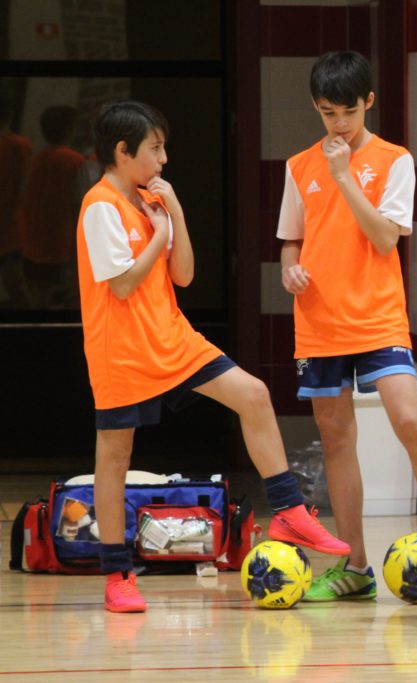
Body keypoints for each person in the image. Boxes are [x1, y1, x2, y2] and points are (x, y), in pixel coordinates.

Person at [77, 100, 349, 614]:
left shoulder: (146, 199)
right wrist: (159, 233)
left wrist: (173, 213)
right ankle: (117, 576)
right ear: (122, 150)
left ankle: (289, 508)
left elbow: (183, 275)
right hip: (122, 349)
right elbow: (121, 284)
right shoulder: (99, 205)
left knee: (253, 394)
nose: (163, 160)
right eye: (155, 148)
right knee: (114, 459)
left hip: (172, 336)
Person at [277, 51, 417, 602]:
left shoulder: (395, 160)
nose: (337, 124)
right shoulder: (298, 166)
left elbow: (386, 237)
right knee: (337, 439)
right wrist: (290, 267)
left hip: (380, 316)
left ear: (368, 101)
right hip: (319, 321)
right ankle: (356, 567)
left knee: (409, 419)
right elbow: (292, 237)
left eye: (346, 111)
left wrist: (344, 177)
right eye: (325, 112)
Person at [19, 105, 87, 307]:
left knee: (37, 295)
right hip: (59, 241)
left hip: (31, 238)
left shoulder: (37, 158)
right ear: (69, 129)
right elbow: (80, 204)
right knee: (54, 298)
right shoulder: (75, 161)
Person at [0, 89, 32, 307]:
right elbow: (23, 188)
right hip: (10, 225)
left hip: (10, 225)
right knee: (17, 287)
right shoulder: (19, 145)